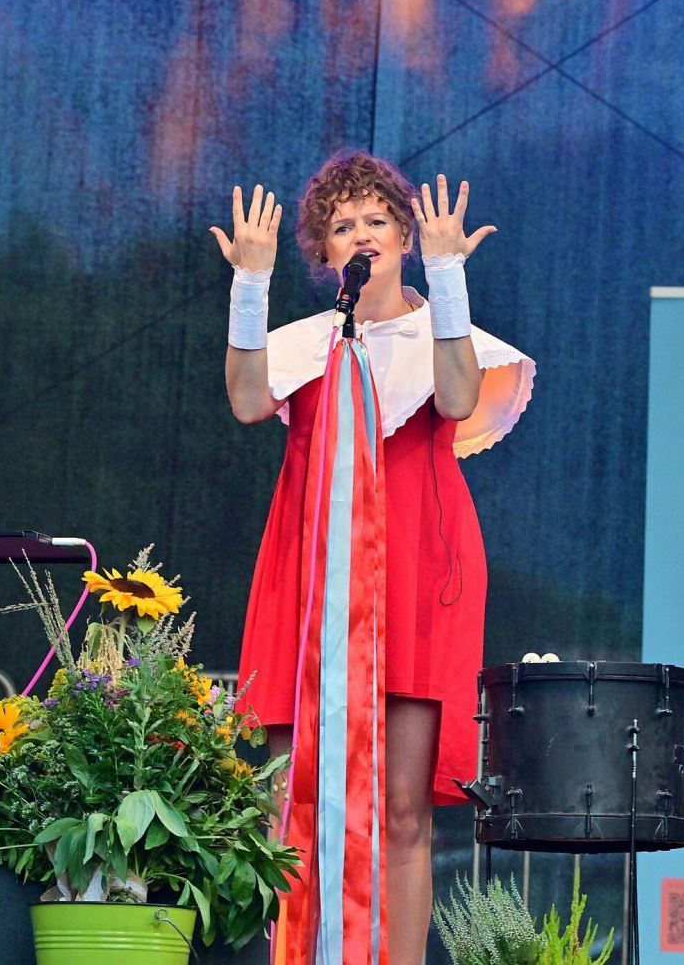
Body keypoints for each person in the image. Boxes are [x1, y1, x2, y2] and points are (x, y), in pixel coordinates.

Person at [214, 152, 535, 963]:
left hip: (418, 573)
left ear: (405, 236)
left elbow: (457, 398)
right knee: (294, 803)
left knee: (401, 810)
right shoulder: (308, 343)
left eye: (376, 219)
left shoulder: (440, 332)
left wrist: (451, 277)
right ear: (325, 252)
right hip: (313, 576)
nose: (361, 234)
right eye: (342, 225)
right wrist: (249, 284)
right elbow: (248, 400)